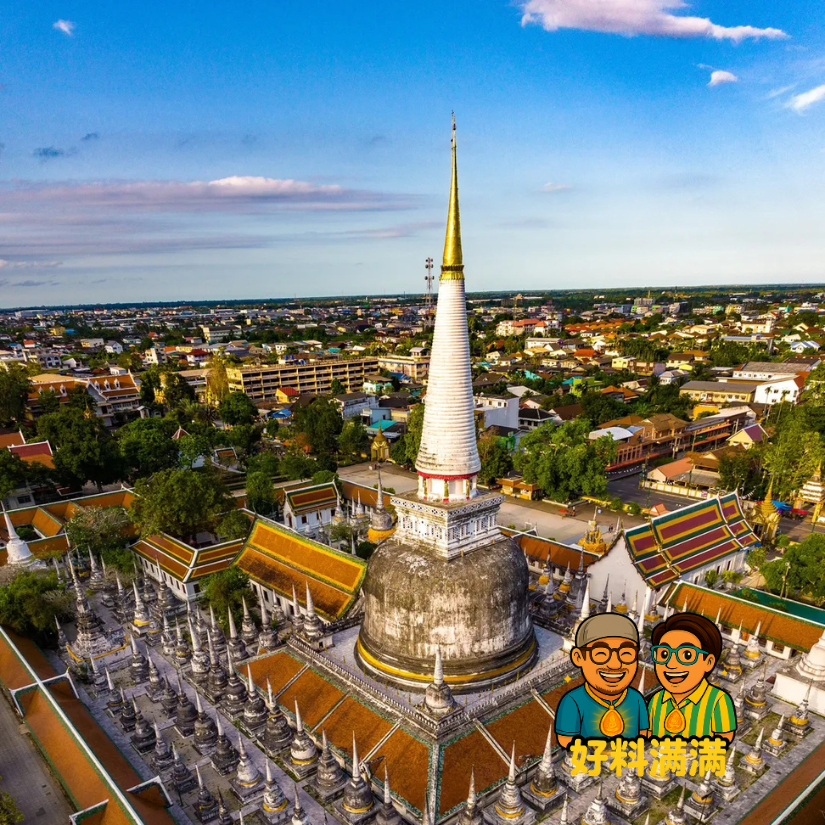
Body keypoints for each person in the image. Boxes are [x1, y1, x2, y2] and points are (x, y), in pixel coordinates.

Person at [556, 613, 650, 747]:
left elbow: (643, 734)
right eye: (601, 654)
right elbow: (566, 741)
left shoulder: (636, 699)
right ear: (578, 657)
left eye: (626, 654)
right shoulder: (572, 701)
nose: (615, 664)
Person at [648, 612, 736, 741]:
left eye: (687, 655)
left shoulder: (718, 701)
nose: (671, 664)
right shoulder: (657, 699)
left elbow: (722, 742)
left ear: (709, 662)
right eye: (664, 654)